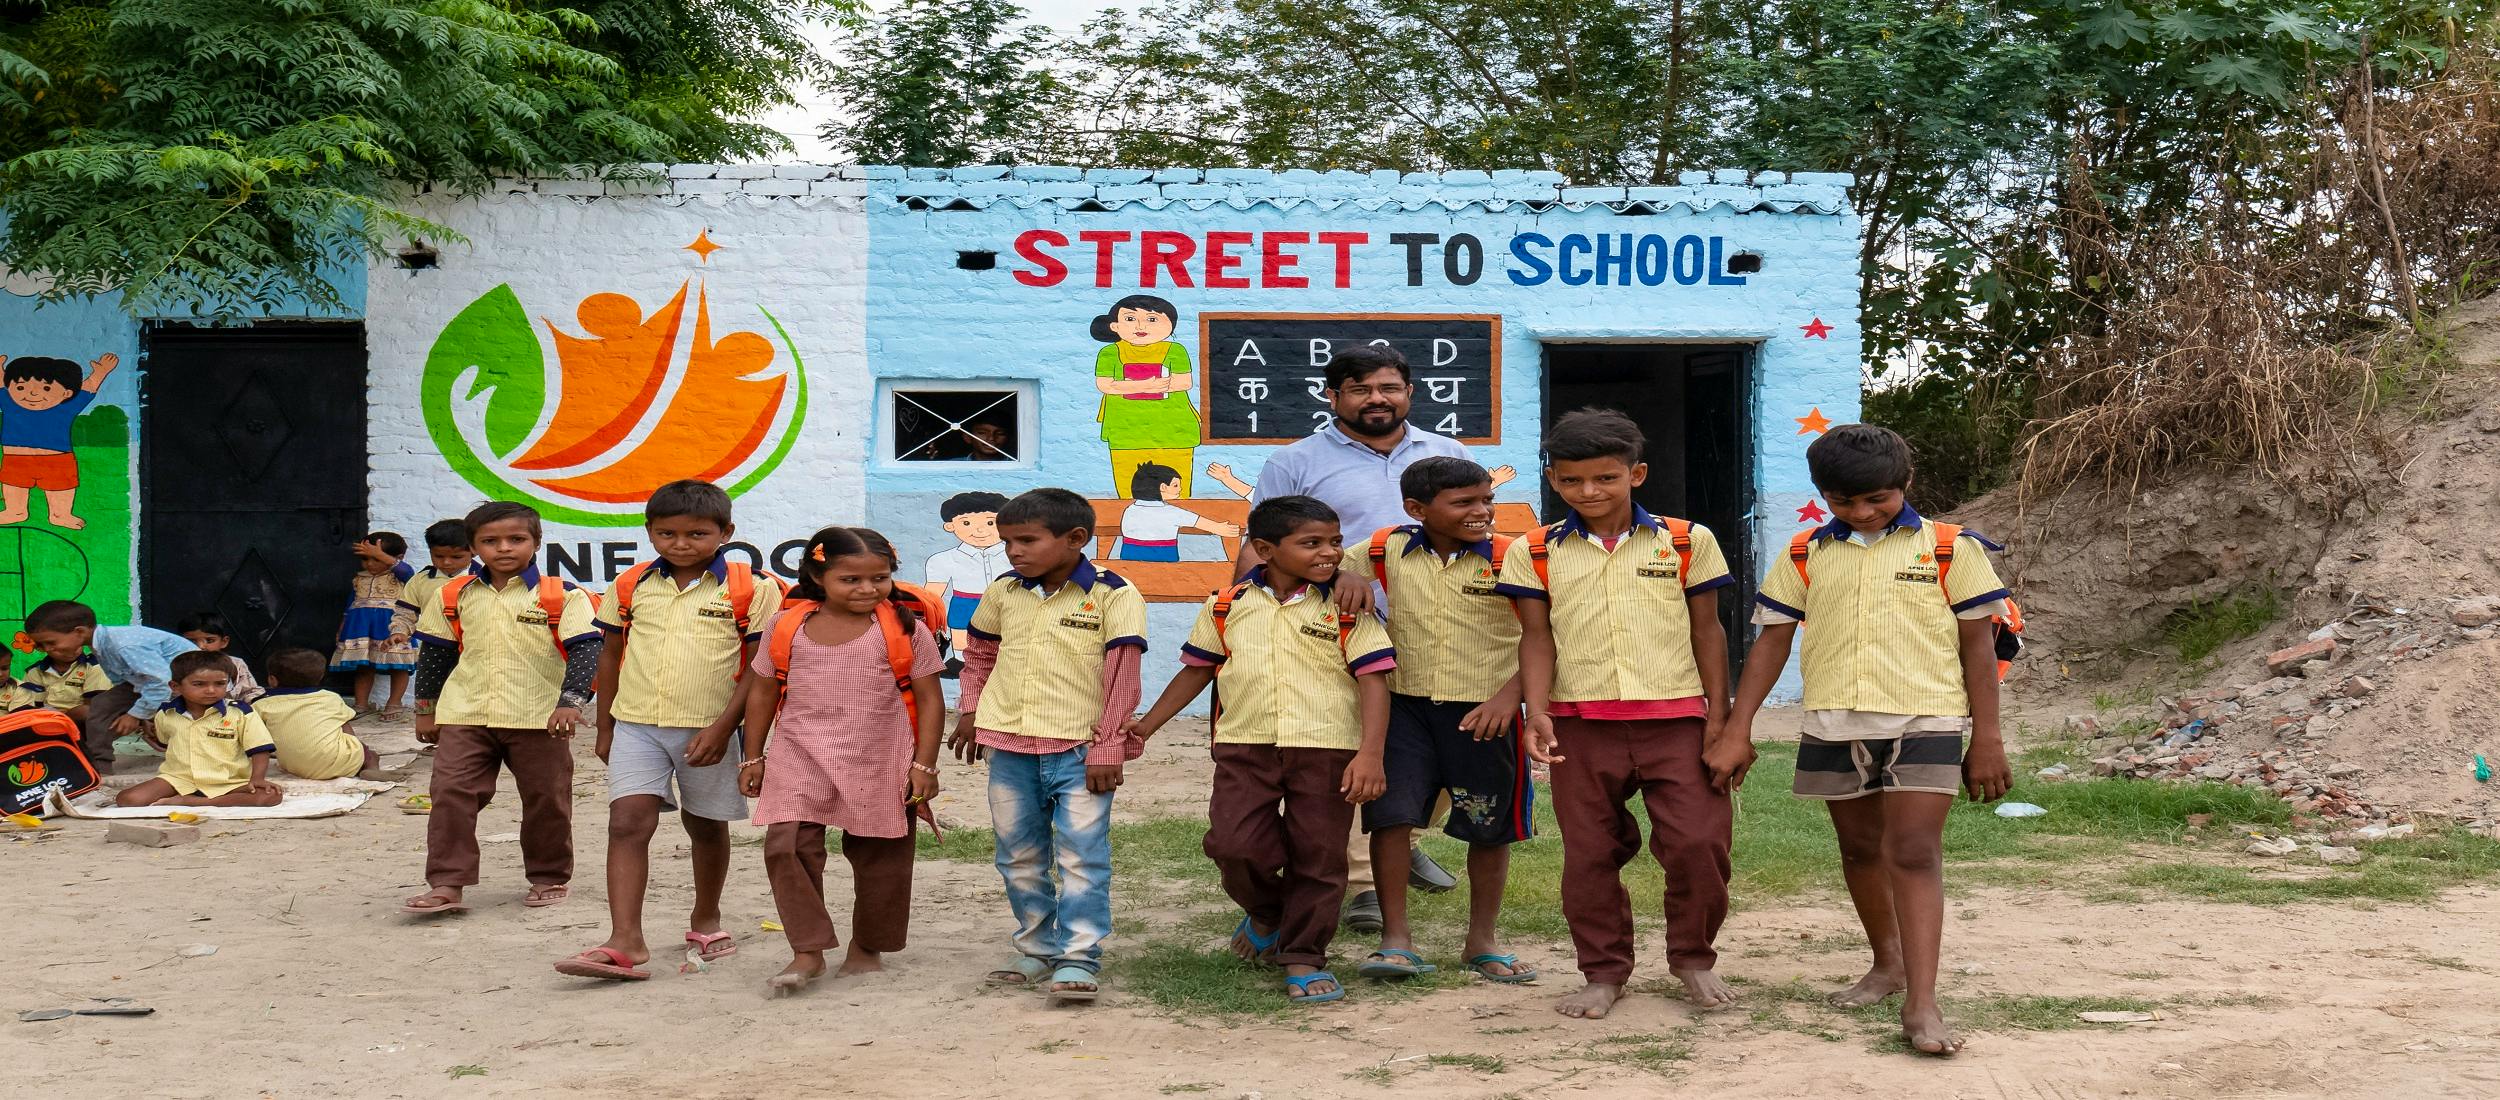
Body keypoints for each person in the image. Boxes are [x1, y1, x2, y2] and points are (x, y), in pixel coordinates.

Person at [1720, 423, 2013, 1057]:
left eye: (1876, 498)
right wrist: (1738, 728)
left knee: (1911, 851)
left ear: (1904, 484)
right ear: (1825, 496)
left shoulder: (1949, 549)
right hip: (1833, 720)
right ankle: (1888, 964)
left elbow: (1978, 648)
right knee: (1859, 850)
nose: (1862, 512)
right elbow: (1771, 642)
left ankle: (1924, 1002)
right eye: (1844, 502)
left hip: (1926, 719)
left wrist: (1985, 738)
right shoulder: (1805, 553)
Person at [1239, 343, 1513, 930]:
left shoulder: (1448, 452)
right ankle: (1366, 880)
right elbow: (1261, 543)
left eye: (1388, 387)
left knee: (1435, 751)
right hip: (1338, 625)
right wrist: (1245, 614)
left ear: (1409, 393)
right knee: (1370, 744)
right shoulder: (1296, 460)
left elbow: (1476, 527)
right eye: (1359, 390)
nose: (1376, 399)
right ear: (1332, 397)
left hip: (1445, 624)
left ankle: (1401, 835)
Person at [1497, 407, 1738, 1020]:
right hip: (1579, 724)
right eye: (1573, 481)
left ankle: (1692, 958)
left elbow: (1708, 631)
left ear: (1637, 474)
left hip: (1677, 720)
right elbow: (1536, 636)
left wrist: (1722, 717)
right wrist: (1537, 709)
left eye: (1605, 478)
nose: (1590, 493)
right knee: (1589, 853)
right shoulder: (1535, 550)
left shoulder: (1687, 541)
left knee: (1698, 844)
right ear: (1554, 481)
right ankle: (1603, 972)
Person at [1125, 495, 1395, 1006]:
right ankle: (1269, 913)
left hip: (1327, 746)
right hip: (1243, 744)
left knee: (1319, 855)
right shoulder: (1226, 606)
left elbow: (1374, 680)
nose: (1329, 553)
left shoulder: (1348, 608)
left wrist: (1371, 754)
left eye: (1335, 542)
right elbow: (1198, 669)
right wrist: (1147, 726)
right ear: (1265, 550)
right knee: (1233, 845)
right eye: (1311, 543)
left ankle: (1303, 955)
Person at [558, 480, 782, 982]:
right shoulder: (631, 584)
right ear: (649, 532)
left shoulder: (753, 588)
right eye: (666, 534)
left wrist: (726, 728)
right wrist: (605, 723)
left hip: (710, 730)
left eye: (696, 534)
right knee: (627, 823)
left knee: (704, 825)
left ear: (726, 532)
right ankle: (625, 940)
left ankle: (706, 918)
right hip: (637, 725)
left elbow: (760, 668)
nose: (680, 544)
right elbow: (612, 656)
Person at [1339, 457, 1538, 986]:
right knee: (1391, 819)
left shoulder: (1512, 558)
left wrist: (1507, 699)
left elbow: (1547, 638)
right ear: (1416, 509)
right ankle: (1396, 940)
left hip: (1485, 715)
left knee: (1488, 828)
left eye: (1486, 500)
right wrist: (1347, 576)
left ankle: (1482, 942)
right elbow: (1338, 566)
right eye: (1465, 503)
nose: (1481, 512)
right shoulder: (1385, 548)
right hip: (1404, 709)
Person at [947, 488, 1148, 1004]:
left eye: (1028, 540)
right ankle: (1036, 947)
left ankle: (1079, 956)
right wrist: (971, 712)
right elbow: (980, 658)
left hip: (1079, 750)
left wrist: (1108, 747)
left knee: (1081, 855)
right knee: (1018, 854)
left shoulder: (1113, 593)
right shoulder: (1003, 591)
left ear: (1075, 539)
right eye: (1008, 540)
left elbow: (1122, 675)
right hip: (1009, 747)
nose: (1014, 551)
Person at [741, 526, 944, 996]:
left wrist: (925, 764)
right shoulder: (787, 625)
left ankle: (867, 948)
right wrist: (752, 755)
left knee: (882, 856)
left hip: (879, 754)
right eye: (850, 580)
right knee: (786, 845)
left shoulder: (904, 627)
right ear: (817, 574)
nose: (867, 589)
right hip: (800, 752)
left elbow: (930, 699)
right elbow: (763, 691)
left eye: (880, 578)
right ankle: (807, 950)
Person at [402, 502, 601, 917]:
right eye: (490, 542)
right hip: (465, 712)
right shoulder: (452, 595)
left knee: (546, 797)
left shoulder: (562, 596)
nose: (504, 549)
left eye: (516, 539)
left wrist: (571, 702)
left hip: (538, 716)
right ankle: (446, 882)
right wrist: (426, 709)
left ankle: (548, 875)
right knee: (450, 793)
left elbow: (586, 649)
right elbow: (436, 655)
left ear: (536, 542)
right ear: (474, 548)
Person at [21, 600, 195, 772]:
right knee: (101, 705)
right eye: (41, 645)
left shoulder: (123, 645)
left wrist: (135, 715)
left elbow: (161, 682)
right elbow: (124, 684)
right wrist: (142, 717)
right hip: (148, 685)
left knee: (187, 726)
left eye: (51, 643)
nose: (46, 649)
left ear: (79, 631)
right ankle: (98, 766)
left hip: (191, 684)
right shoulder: (100, 645)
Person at [113, 651, 282, 808]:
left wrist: (257, 779)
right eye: (199, 684)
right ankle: (202, 799)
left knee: (271, 796)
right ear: (175, 686)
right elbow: (164, 741)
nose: (211, 690)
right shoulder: (166, 714)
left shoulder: (240, 712)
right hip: (178, 779)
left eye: (220, 684)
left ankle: (193, 801)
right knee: (127, 799)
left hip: (229, 781)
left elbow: (260, 750)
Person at [1090, 295, 1200, 495]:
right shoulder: (1110, 352)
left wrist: (1129, 386)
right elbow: (1105, 385)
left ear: (1170, 326)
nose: (1141, 326)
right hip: (1125, 433)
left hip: (1174, 432)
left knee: (1177, 490)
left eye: (1152, 319)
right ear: (1114, 326)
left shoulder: (1175, 350)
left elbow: (1183, 382)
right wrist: (1150, 385)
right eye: (1130, 319)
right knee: (1128, 489)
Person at [0, 351, 117, 529]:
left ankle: (60, 515)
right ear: (11, 388)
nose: (31, 394)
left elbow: (87, 390)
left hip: (58, 460)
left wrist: (100, 373)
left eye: (46, 388)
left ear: (67, 393)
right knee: (14, 487)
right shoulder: (9, 402)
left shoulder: (66, 408)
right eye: (21, 387)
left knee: (61, 489)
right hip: (16, 460)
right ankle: (15, 511)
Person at [254, 647, 377, 780]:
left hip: (295, 767)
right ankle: (372, 768)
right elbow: (347, 730)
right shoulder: (330, 698)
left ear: (272, 679)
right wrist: (357, 746)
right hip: (341, 763)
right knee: (368, 751)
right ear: (321, 677)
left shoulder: (262, 705)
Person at [333, 531, 417, 717]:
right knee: (364, 666)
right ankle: (361, 704)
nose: (370, 564)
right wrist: (342, 626)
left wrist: (384, 558)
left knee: (398, 665)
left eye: (376, 559)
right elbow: (350, 605)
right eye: (365, 559)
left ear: (398, 558)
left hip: (391, 627)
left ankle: (394, 703)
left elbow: (408, 573)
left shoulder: (400, 575)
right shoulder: (360, 578)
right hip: (361, 627)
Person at [923, 491, 1009, 674]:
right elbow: (932, 593)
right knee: (961, 628)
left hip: (1006, 602)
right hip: (965, 601)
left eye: (990, 522)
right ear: (949, 526)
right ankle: (960, 659)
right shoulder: (943, 559)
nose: (980, 530)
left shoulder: (1016, 554)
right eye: (966, 523)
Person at [1115, 463, 1240, 562]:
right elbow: (1207, 525)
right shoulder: (1172, 513)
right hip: (1166, 566)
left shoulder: (1130, 510)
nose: (1180, 489)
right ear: (1163, 487)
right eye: (1175, 485)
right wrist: (1223, 528)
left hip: (1129, 563)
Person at [390, 520, 479, 650]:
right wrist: (400, 631)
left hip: (476, 645)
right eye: (439, 556)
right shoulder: (421, 580)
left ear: (474, 551)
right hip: (432, 644)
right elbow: (405, 613)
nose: (446, 562)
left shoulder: (484, 579)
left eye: (456, 557)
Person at [18, 629, 112, 724]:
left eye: (75, 644)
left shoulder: (95, 666)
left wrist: (62, 718)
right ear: (42, 648)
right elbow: (32, 707)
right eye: (63, 647)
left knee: (86, 711)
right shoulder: (34, 671)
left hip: (80, 722)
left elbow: (94, 707)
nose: (71, 650)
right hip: (45, 720)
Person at [176, 611, 263, 703]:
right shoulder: (175, 666)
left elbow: (250, 693)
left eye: (209, 640)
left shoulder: (236, 664)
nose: (200, 646)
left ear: (224, 642)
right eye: (191, 641)